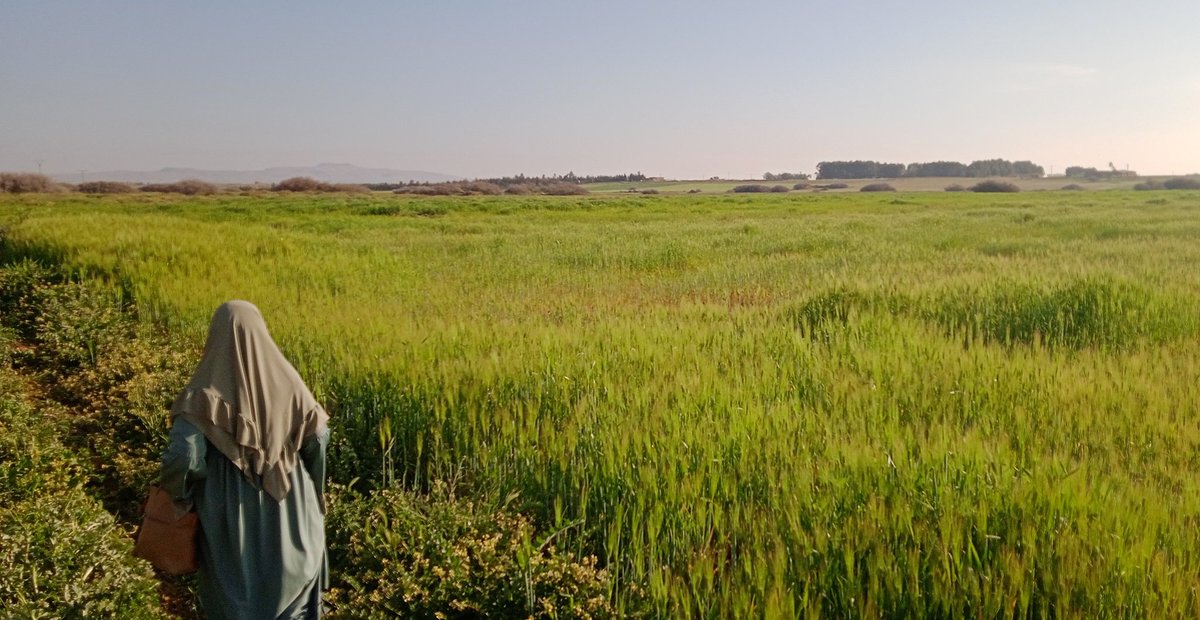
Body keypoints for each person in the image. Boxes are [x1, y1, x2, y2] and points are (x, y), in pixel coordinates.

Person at [160, 300, 330, 619]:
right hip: (294, 517)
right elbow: (319, 440)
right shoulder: (291, 386)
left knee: (237, 601)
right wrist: (314, 493)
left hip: (232, 526)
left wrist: (180, 499)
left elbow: (183, 456)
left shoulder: (201, 398)